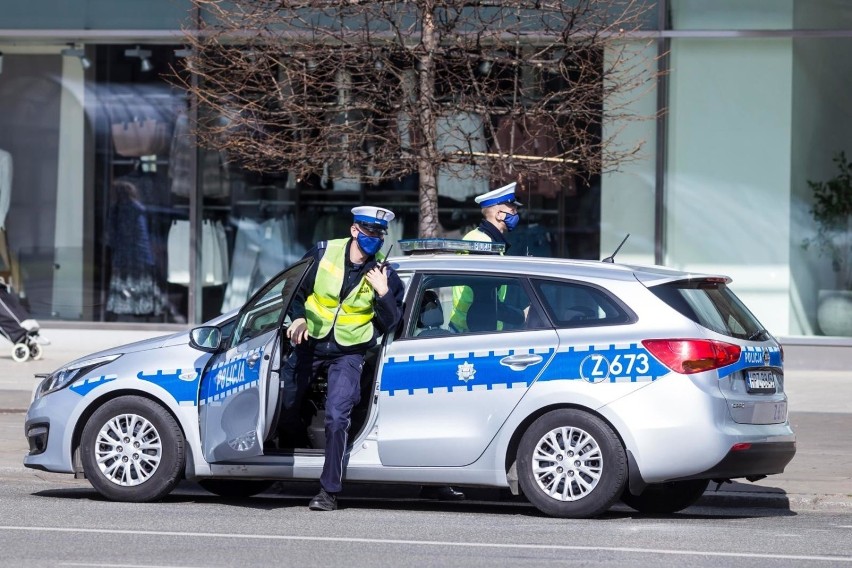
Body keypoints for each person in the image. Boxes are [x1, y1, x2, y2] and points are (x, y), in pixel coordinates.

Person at [284, 205, 404, 511]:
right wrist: (296, 320)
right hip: (310, 342)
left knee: (338, 417)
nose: (374, 240)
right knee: (283, 400)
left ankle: (328, 491)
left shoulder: (386, 274)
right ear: (355, 231)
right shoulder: (324, 253)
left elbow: (393, 323)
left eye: (380, 235)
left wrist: (383, 293)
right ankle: (282, 461)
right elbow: (292, 291)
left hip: (349, 352)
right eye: (369, 233)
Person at [448, 181, 525, 333]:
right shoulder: (483, 245)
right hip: (472, 329)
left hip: (472, 326)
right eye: (513, 209)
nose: (516, 213)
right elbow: (486, 298)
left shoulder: (484, 240)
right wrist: (521, 316)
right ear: (498, 214)